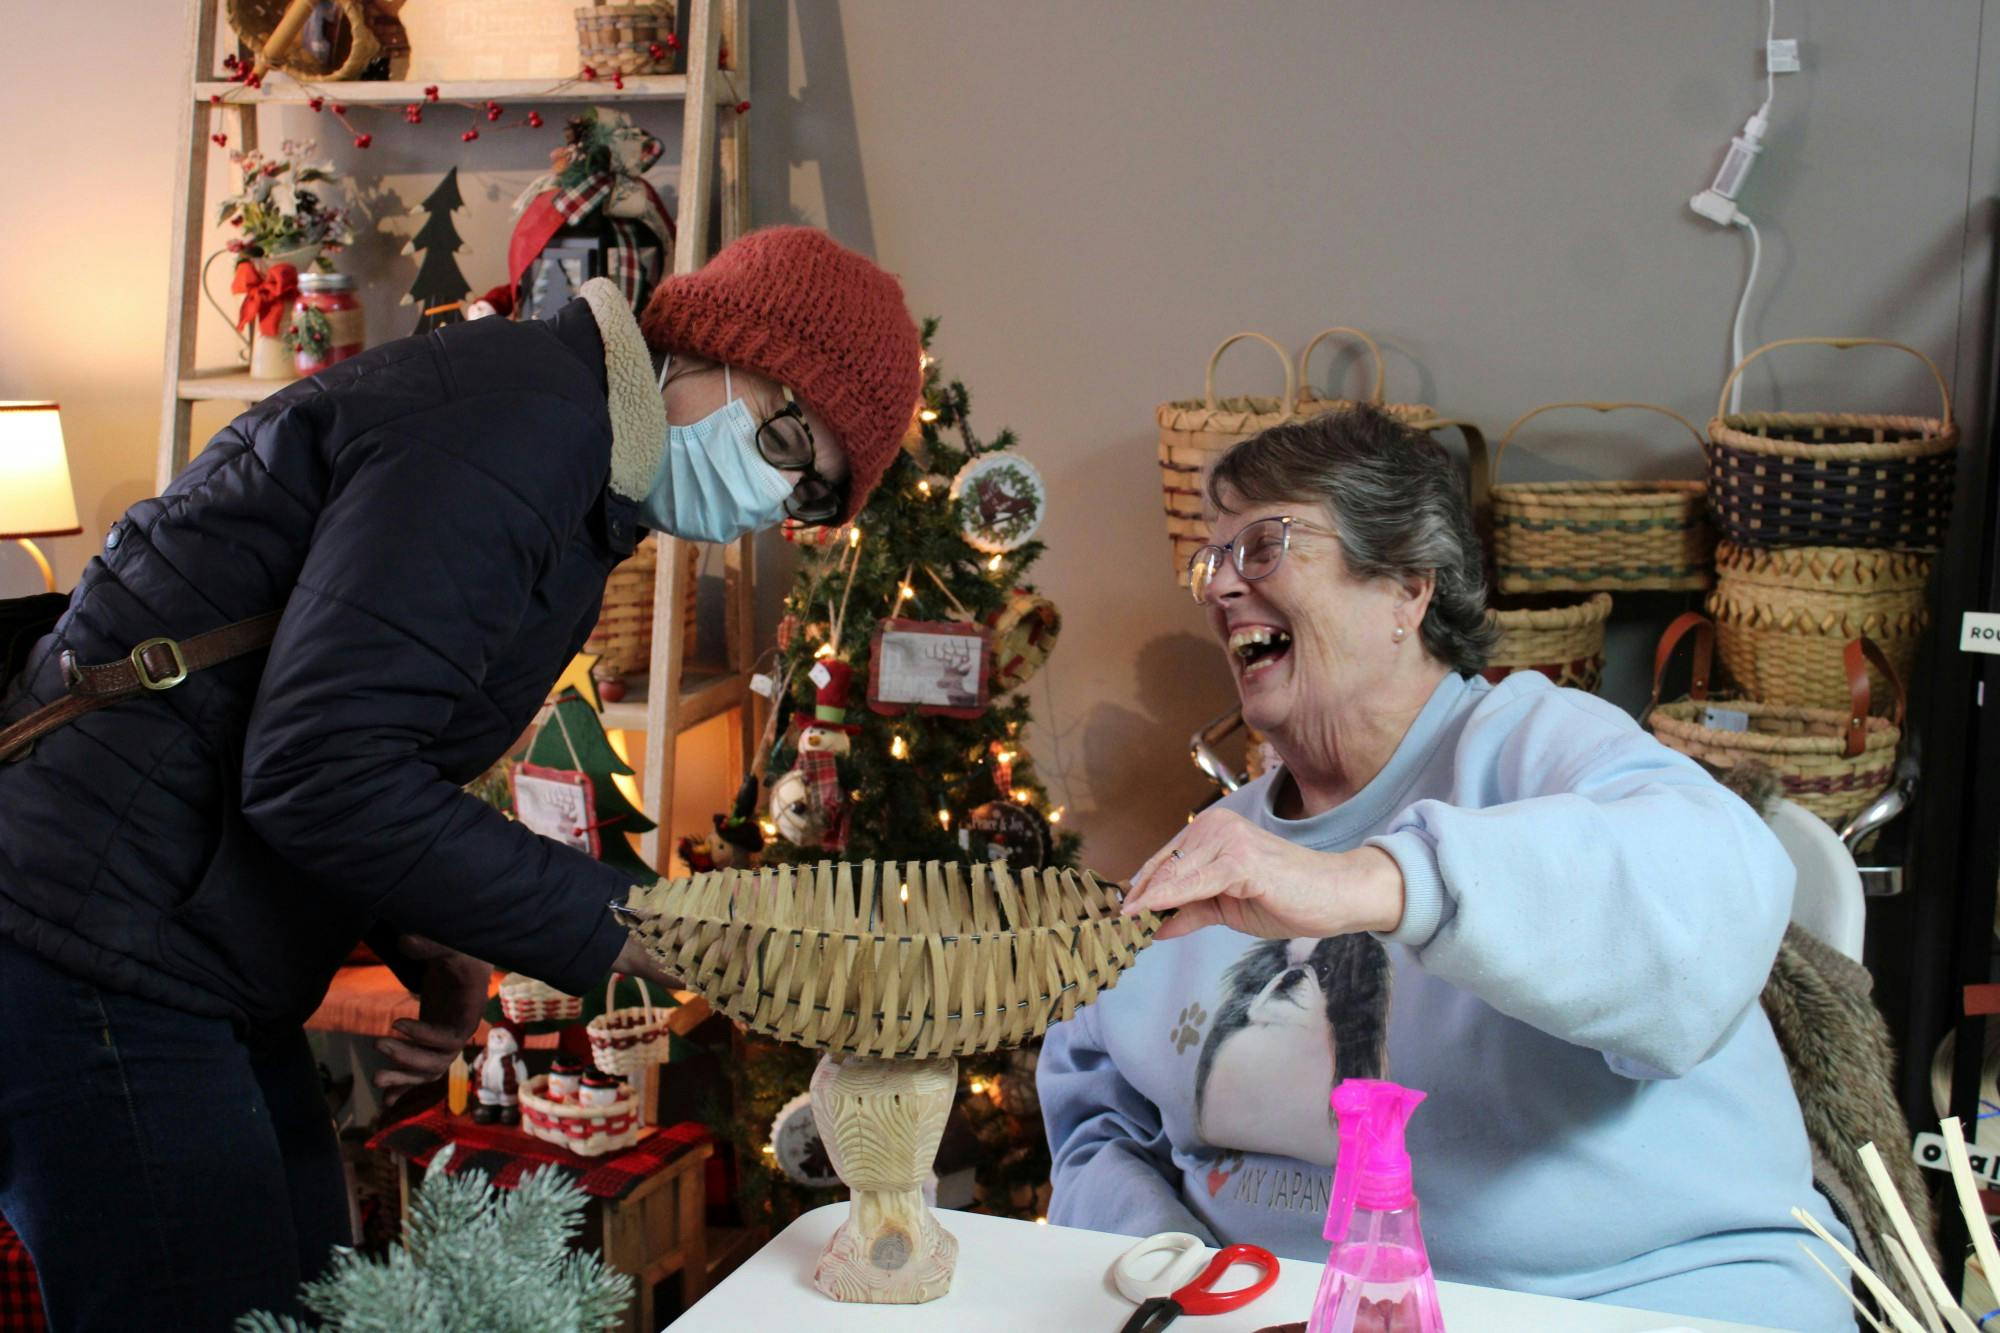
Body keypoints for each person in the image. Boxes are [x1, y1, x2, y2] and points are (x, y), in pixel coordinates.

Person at [0, 226, 920, 1329]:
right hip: (90, 937)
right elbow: (321, 769)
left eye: (810, 495)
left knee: (303, 1292)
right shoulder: (522, 432)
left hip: (174, 939)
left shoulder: (561, 454)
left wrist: (427, 935)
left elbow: (335, 725)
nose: (774, 496)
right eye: (786, 441)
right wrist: (647, 925)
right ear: (712, 347)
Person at [1040, 406, 1854, 1330]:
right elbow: (1102, 1114)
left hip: (1627, 1300)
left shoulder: (1538, 745)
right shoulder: (1224, 846)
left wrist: (1376, 881)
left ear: (1407, 588)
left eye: (1263, 546)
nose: (1221, 586)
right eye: (1212, 560)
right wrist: (1180, 1277)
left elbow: (1715, 892)